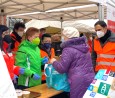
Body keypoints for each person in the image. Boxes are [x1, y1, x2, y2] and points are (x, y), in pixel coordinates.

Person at [50, 27, 95, 98]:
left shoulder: (68, 49)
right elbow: (78, 59)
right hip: (90, 77)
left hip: (78, 81)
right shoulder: (84, 46)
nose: (63, 38)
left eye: (63, 36)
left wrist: (54, 62)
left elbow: (62, 69)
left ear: (67, 36)